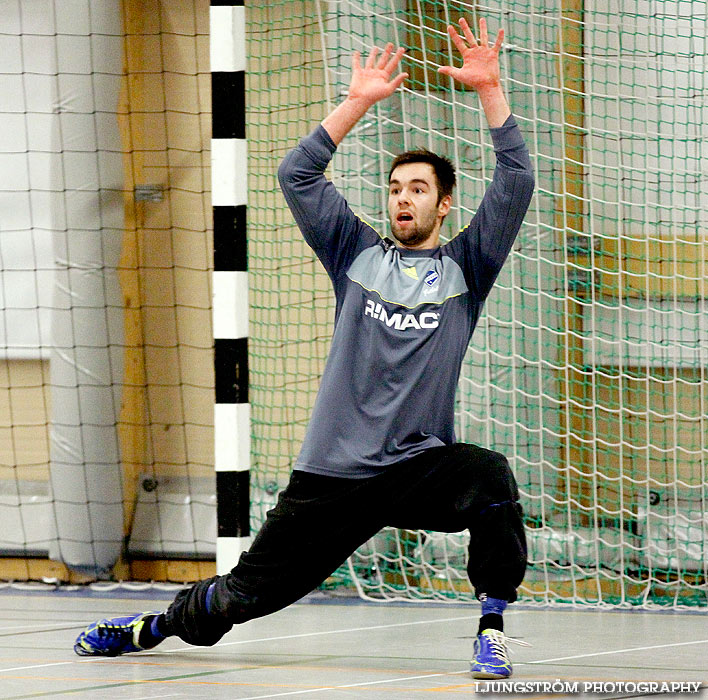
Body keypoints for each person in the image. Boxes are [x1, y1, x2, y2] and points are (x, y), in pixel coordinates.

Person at [74, 17, 534, 679]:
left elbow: (516, 182)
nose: (403, 198)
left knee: (490, 477)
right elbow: (298, 174)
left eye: (419, 188)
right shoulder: (355, 253)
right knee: (241, 599)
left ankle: (491, 626)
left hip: (415, 467)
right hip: (334, 475)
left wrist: (489, 89)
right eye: (396, 188)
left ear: (445, 203)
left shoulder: (468, 267)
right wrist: (358, 101)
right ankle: (148, 627)